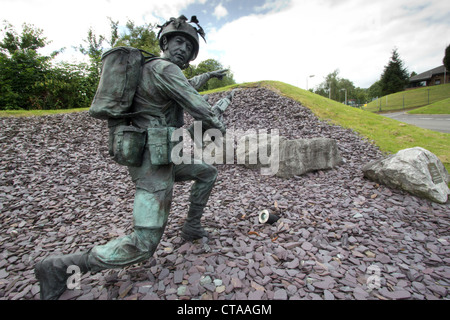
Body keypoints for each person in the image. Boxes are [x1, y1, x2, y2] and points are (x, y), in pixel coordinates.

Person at [34, 15, 231, 300]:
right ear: (165, 42)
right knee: (144, 244)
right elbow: (198, 104)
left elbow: (185, 84)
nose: (184, 50)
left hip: (162, 155)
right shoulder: (166, 70)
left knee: (206, 172)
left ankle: (191, 227)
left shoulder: (153, 69)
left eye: (189, 47)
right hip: (154, 162)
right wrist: (219, 123)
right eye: (179, 42)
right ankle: (60, 267)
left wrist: (209, 77)